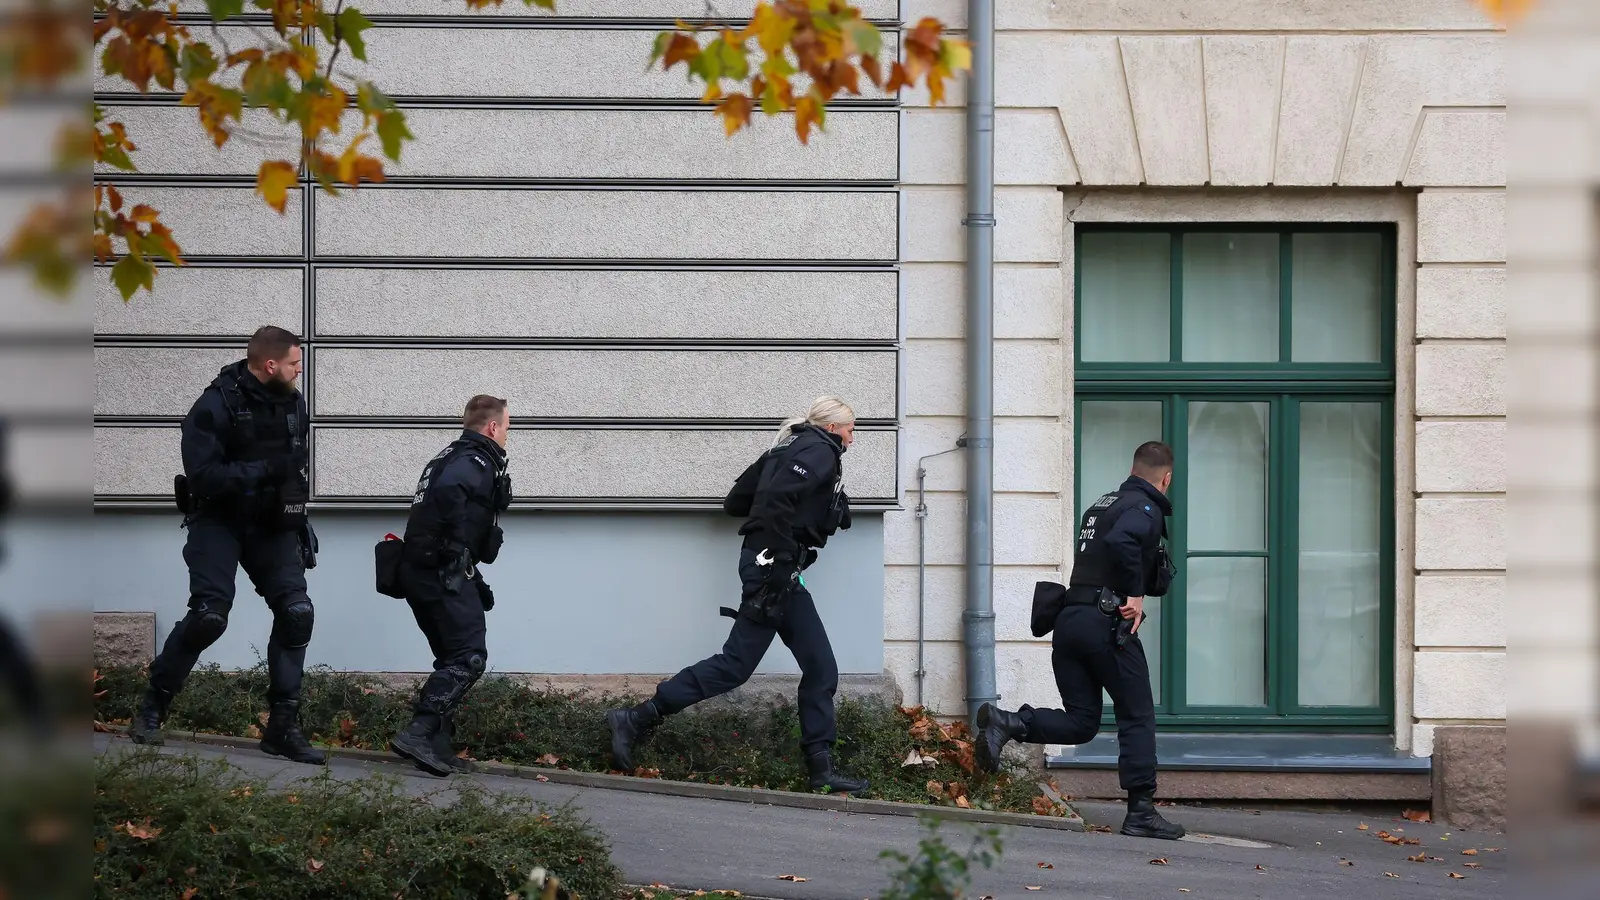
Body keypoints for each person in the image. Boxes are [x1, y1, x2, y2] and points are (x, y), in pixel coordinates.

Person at [605, 395, 868, 794]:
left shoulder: (786, 447)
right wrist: (781, 556)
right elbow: (777, 498)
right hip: (774, 571)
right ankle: (636, 719)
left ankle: (821, 771)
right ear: (832, 427)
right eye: (850, 428)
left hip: (774, 570)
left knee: (817, 667)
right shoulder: (819, 450)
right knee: (738, 666)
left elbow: (737, 502)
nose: (853, 436)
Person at [130, 325, 324, 764]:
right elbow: (204, 478)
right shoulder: (214, 405)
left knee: (297, 613)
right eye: (295, 363)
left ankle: (282, 728)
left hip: (272, 524)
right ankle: (152, 708)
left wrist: (298, 516)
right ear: (270, 365)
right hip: (219, 521)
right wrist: (264, 470)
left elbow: (294, 463)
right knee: (210, 617)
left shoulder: (294, 403)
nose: (300, 370)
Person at [974, 441, 1185, 840]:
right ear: (1166, 478)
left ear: (1133, 467)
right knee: (1137, 714)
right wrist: (1135, 593)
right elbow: (1121, 544)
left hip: (1070, 622)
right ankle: (1141, 811)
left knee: (1082, 721)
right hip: (1105, 625)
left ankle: (1009, 722)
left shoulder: (1102, 503)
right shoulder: (1144, 508)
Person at [387, 395, 512, 777]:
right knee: (468, 658)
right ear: (492, 427)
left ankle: (438, 746)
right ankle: (419, 732)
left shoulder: (449, 456)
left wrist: (471, 569)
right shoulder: (473, 460)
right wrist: (457, 551)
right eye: (506, 426)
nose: (507, 434)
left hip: (426, 570)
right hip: (437, 571)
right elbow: (448, 498)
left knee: (452, 657)